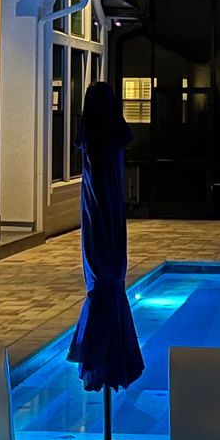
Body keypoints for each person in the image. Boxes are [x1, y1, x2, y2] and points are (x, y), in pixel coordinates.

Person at [69, 81, 142, 394]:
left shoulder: (96, 145)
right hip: (108, 221)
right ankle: (107, 356)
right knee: (106, 279)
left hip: (100, 222)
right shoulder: (109, 143)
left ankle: (100, 356)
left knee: (103, 279)